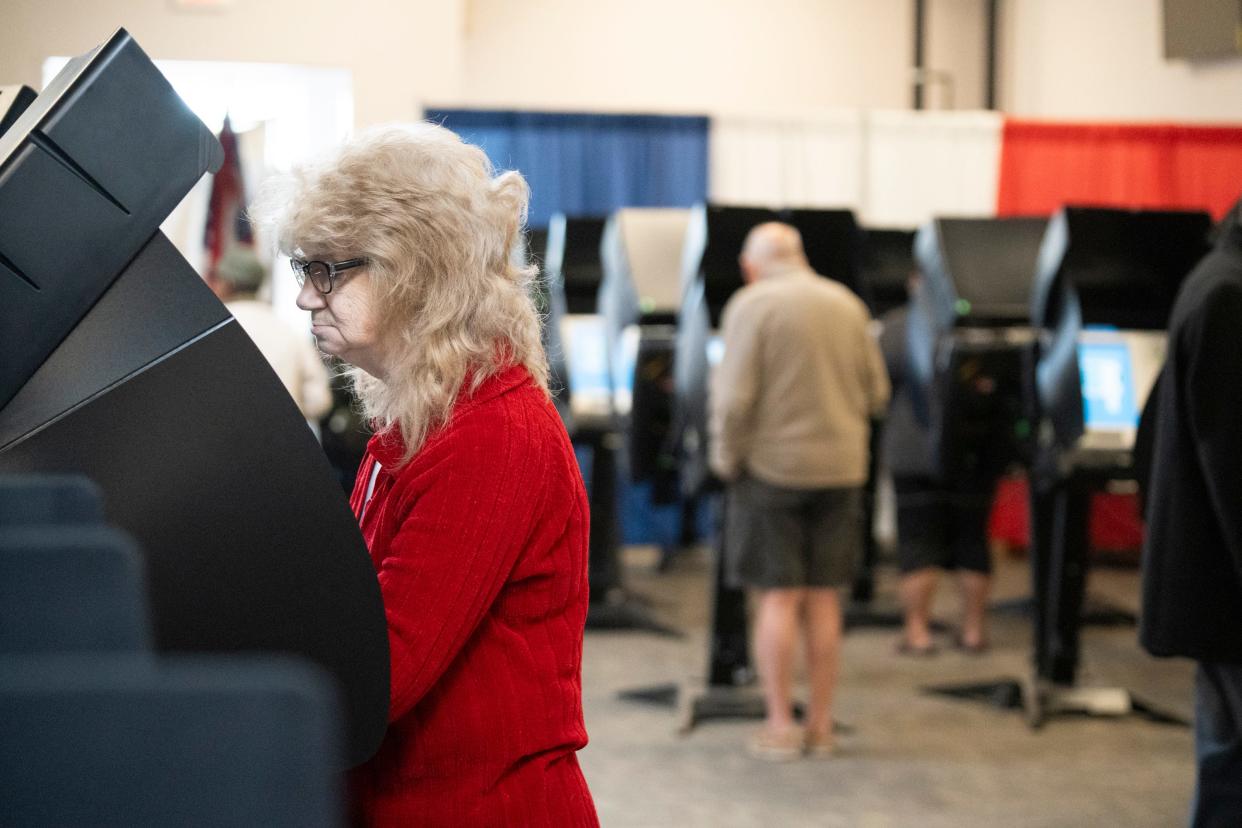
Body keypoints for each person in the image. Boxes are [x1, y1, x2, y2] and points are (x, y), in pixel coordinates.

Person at [255, 123, 598, 826]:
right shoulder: (421, 426)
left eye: (330, 270)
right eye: (304, 268)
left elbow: (381, 674)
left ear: (421, 272)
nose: (305, 297)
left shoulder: (491, 436)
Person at [708, 222, 890, 760]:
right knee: (824, 598)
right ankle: (823, 726)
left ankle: (780, 725)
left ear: (752, 265)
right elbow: (877, 392)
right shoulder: (849, 305)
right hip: (842, 470)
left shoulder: (751, 305)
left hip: (772, 472)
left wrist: (726, 460)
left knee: (778, 597)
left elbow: (734, 399)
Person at [1140, 203, 1242, 828]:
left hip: (1217, 593)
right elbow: (1234, 470)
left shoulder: (1215, 279)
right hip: (1226, 594)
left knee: (1227, 767)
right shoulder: (1229, 294)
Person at [879, 275, 993, 655]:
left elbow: (877, 388)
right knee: (972, 540)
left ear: (914, 282)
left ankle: (918, 632)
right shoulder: (976, 327)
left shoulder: (896, 327)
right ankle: (974, 631)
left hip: (912, 451)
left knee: (916, 542)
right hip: (973, 449)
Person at [210, 246, 333, 423]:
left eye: (216, 278)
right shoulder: (287, 330)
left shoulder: (213, 329)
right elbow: (319, 400)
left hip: (222, 436)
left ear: (228, 283)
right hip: (281, 437)